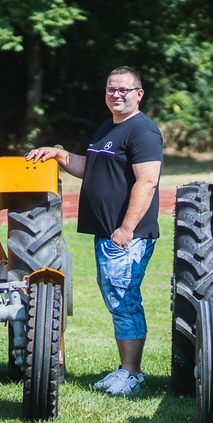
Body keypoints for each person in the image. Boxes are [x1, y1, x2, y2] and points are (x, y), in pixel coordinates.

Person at [26, 66, 163, 397]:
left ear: (139, 94)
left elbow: (147, 181)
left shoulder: (142, 132)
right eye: (111, 89)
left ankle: (131, 373)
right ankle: (126, 370)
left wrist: (127, 228)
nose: (116, 95)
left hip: (127, 235)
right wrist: (60, 154)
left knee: (124, 298)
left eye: (124, 90)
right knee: (117, 297)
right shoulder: (108, 127)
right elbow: (91, 167)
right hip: (108, 234)